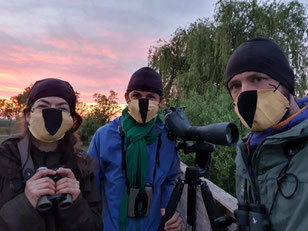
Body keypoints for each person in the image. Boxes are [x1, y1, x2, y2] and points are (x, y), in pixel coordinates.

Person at [226, 37, 308, 230]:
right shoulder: (245, 150)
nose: (245, 92)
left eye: (257, 79)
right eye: (235, 86)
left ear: (286, 82)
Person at [0, 78, 103, 231]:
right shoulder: (5, 158)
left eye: (62, 109)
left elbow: (94, 226)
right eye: (43, 106)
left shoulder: (82, 165)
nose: (52, 113)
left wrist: (76, 203)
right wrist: (26, 202)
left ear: (71, 120)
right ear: (28, 115)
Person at [89, 67, 183, 231]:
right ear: (127, 98)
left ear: (161, 101)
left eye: (150, 97)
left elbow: (171, 178)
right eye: (137, 96)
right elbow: (90, 184)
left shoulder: (168, 138)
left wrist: (170, 208)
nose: (143, 102)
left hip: (152, 226)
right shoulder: (104, 136)